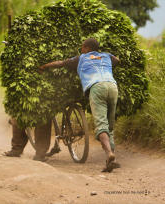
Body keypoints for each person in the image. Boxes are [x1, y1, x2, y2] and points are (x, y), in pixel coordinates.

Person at [39, 38, 120, 172]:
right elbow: (117, 60)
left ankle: (109, 154)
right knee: (109, 126)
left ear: (87, 48)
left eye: (82, 47)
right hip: (112, 87)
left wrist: (44, 66)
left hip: (97, 87)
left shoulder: (81, 58)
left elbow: (61, 63)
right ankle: (112, 160)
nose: (81, 49)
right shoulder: (107, 56)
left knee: (101, 125)